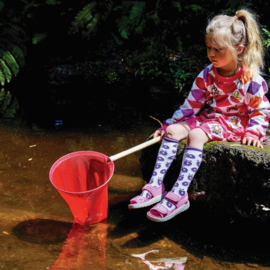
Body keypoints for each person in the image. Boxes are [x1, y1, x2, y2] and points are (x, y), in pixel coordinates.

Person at [128, 9, 270, 222]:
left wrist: (253, 132)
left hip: (232, 123)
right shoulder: (206, 75)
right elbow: (190, 106)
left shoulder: (250, 79)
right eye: (209, 48)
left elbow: (260, 110)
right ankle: (156, 185)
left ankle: (179, 194)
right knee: (174, 131)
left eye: (218, 49)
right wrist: (169, 123)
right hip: (209, 118)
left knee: (196, 135)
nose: (211, 53)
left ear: (239, 49)